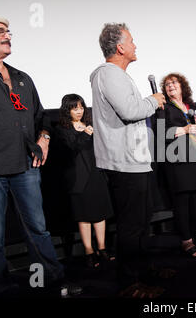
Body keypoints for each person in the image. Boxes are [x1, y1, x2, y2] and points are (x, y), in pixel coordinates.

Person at [0, 8, 81, 296]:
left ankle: (50, 282)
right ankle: (0, 290)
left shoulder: (22, 77)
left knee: (38, 230)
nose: (7, 36)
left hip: (26, 166)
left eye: (7, 31)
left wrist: (44, 139)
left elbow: (41, 117)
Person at [90, 23, 166, 298]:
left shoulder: (118, 75)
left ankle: (144, 272)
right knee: (131, 226)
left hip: (136, 160)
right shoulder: (110, 75)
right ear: (120, 47)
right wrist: (154, 100)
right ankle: (129, 284)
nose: (135, 46)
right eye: (132, 41)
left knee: (142, 222)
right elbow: (130, 110)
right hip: (125, 163)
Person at [157, 73, 196, 258]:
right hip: (177, 161)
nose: (170, 86)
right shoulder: (164, 107)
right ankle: (186, 241)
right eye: (167, 84)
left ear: (182, 86)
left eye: (174, 83)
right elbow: (161, 133)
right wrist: (184, 129)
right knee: (182, 202)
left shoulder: (191, 107)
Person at [55, 94, 115, 269]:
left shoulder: (90, 125)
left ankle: (102, 248)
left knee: (100, 213)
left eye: (81, 107)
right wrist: (85, 135)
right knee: (84, 217)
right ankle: (89, 251)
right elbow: (70, 149)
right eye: (75, 108)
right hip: (78, 179)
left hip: (96, 174)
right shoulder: (62, 129)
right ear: (68, 110)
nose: (79, 111)